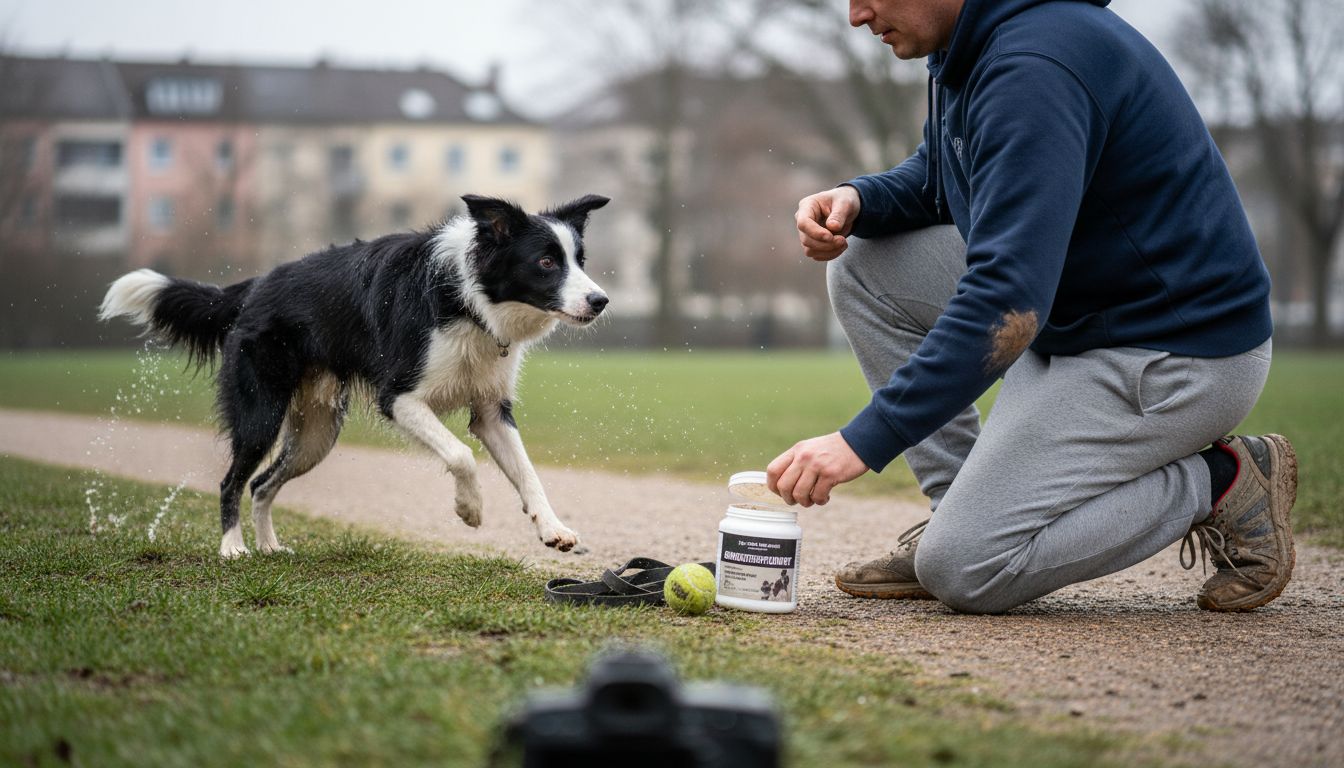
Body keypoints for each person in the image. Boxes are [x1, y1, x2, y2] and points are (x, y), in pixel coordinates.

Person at [765, 0, 1296, 614]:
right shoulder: (971, 46)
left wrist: (863, 440)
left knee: (966, 570)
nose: (857, 15)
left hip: (1172, 353)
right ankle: (957, 514)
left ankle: (1223, 481)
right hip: (1077, 320)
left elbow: (1006, 297)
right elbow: (948, 176)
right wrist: (861, 198)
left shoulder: (1033, 64)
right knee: (865, 267)